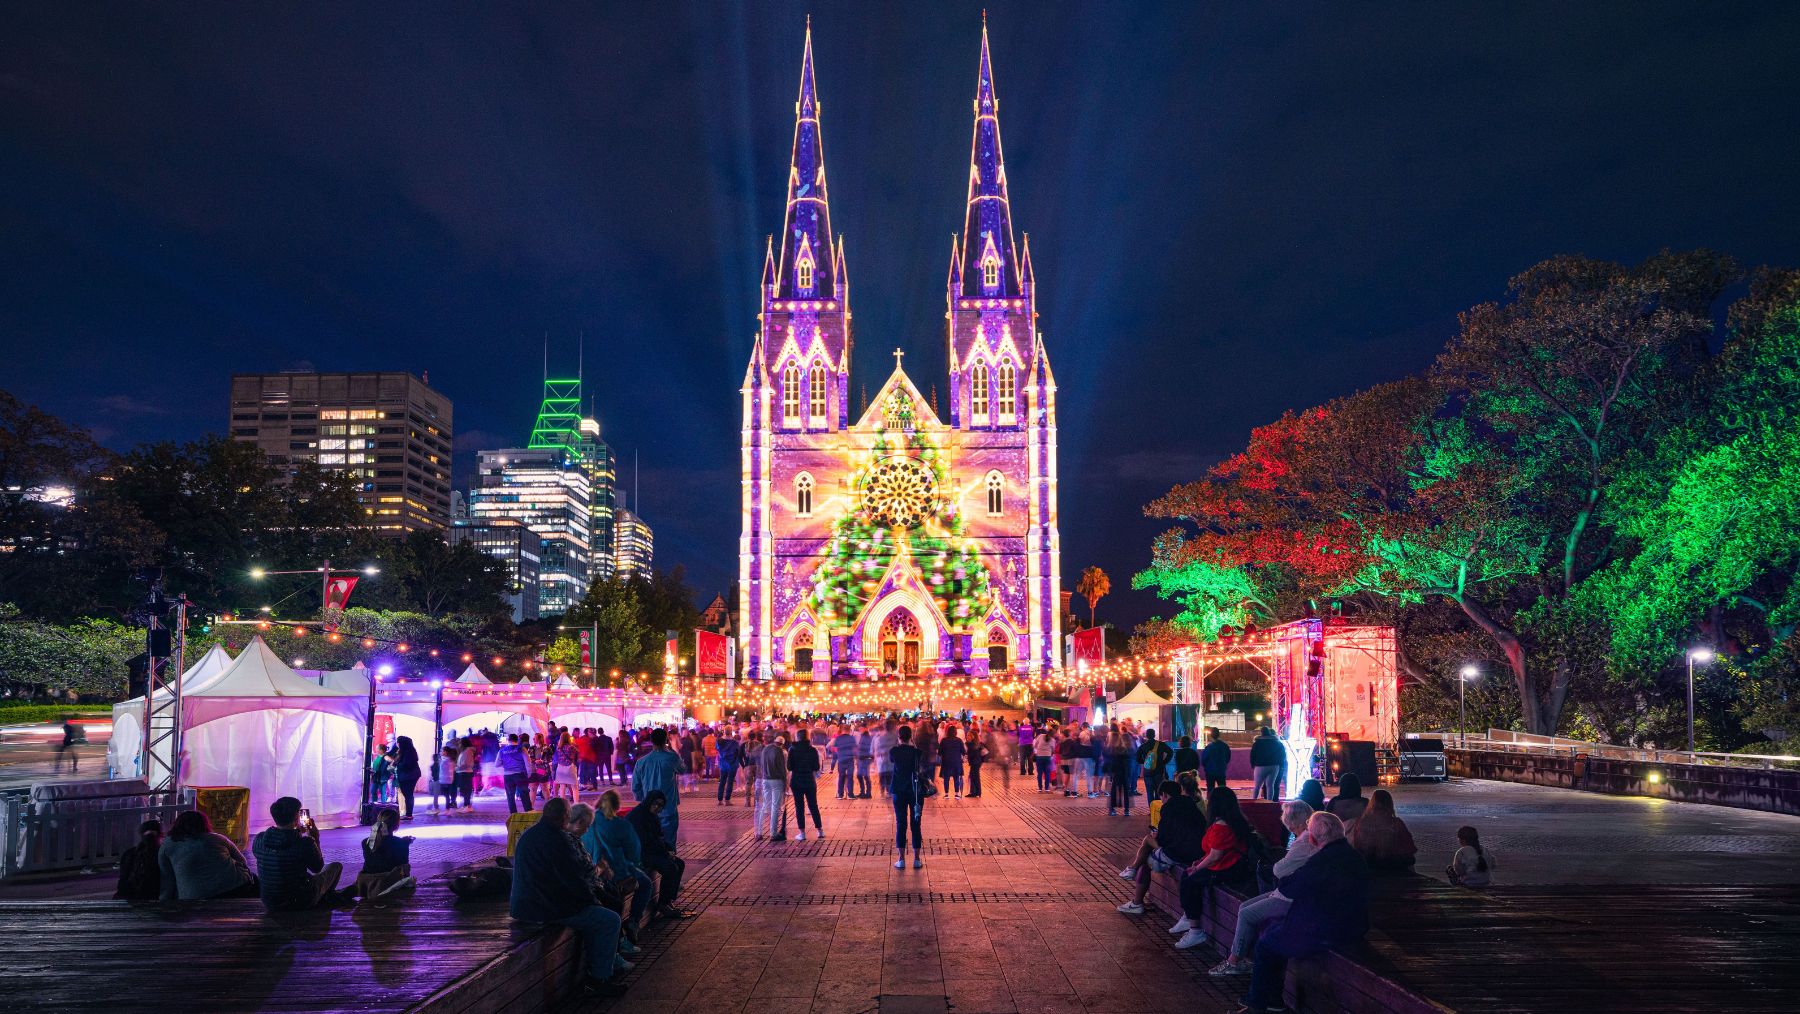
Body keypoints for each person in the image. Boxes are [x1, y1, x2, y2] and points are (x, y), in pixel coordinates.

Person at [1237, 812, 1370, 1014]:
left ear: (1314, 838)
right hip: (1354, 925)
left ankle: (1258, 1004)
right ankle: (1273, 999)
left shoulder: (1322, 862)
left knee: (1265, 944)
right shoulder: (1355, 857)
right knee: (1276, 935)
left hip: (1324, 930)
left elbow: (1291, 888)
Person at [510, 797, 628, 998]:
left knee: (596, 915)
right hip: (544, 907)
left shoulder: (530, 835)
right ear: (565, 817)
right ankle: (599, 979)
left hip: (524, 904)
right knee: (609, 920)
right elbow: (574, 880)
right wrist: (591, 900)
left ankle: (597, 969)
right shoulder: (559, 840)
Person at [1208, 800, 1317, 977]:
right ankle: (1240, 956)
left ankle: (1234, 961)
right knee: (1244, 907)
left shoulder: (1304, 842)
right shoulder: (1308, 837)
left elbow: (1279, 870)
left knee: (1246, 913)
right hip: (1293, 891)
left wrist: (1280, 863)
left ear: (1292, 821)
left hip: (1294, 897)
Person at [1174, 787, 1258, 949]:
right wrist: (1199, 862)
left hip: (1228, 869)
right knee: (1188, 876)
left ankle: (1195, 929)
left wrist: (1198, 869)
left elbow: (1215, 856)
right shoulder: (1235, 820)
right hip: (1230, 865)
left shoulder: (1221, 826)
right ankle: (1188, 917)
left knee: (1190, 881)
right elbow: (1213, 853)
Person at [1116, 781, 1208, 914]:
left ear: (1164, 794)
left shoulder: (1168, 808)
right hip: (1198, 851)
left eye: (1161, 797)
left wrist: (1157, 835)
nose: (1161, 800)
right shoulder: (1191, 805)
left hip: (1179, 852)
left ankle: (1136, 898)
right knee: (1148, 848)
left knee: (1147, 851)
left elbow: (1164, 839)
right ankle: (1132, 870)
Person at [585, 790, 655, 940]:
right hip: (618, 871)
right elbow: (634, 852)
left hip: (595, 869)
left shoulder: (588, 822)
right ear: (617, 806)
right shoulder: (621, 825)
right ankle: (634, 921)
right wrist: (633, 865)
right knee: (646, 884)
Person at [252, 796, 342, 910]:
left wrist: (297, 831)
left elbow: (282, 844)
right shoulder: (304, 844)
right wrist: (315, 837)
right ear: (296, 819)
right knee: (335, 867)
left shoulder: (259, 840)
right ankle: (322, 900)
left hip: (269, 901)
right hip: (299, 901)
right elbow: (317, 867)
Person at [161, 809, 259, 900]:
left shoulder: (167, 844)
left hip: (193, 897)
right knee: (254, 879)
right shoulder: (217, 838)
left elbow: (167, 877)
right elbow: (242, 860)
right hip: (235, 888)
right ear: (203, 824)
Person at [627, 791, 693, 919]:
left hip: (650, 851)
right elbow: (646, 840)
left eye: (660, 805)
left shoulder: (652, 816)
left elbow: (659, 837)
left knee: (679, 863)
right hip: (639, 853)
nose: (657, 807)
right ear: (649, 802)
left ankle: (668, 901)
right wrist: (665, 852)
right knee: (670, 868)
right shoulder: (639, 816)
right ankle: (662, 904)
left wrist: (668, 850)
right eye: (655, 804)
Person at [631, 728, 682, 845]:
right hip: (668, 807)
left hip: (648, 809)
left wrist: (643, 801)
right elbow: (682, 769)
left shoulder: (641, 762)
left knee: (650, 842)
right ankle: (669, 861)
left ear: (651, 741)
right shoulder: (672, 758)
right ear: (666, 740)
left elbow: (635, 786)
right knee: (669, 842)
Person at [354, 807, 416, 899]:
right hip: (386, 881)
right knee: (407, 872)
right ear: (396, 826)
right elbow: (403, 865)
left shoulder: (365, 842)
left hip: (366, 880)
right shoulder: (400, 843)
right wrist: (406, 844)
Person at [1349, 789, 1416, 871]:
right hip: (1393, 865)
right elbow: (1410, 847)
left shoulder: (1361, 822)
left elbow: (1357, 845)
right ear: (1390, 804)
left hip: (1369, 864)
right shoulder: (1396, 823)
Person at [889, 724, 926, 869]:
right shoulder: (917, 752)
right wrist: (913, 743)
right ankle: (917, 859)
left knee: (901, 823)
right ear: (911, 737)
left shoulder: (894, 751)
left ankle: (901, 859)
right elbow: (918, 757)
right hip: (915, 791)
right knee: (916, 824)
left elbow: (893, 760)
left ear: (899, 737)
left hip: (899, 790)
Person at [788, 729, 824, 840]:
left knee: (799, 807)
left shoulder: (792, 749)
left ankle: (802, 833)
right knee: (813, 806)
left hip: (797, 781)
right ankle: (820, 831)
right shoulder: (812, 750)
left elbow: (789, 767)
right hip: (809, 780)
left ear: (797, 737)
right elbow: (817, 767)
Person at [114, 818, 163, 900]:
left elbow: (122, 883)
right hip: (154, 899)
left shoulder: (129, 854)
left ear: (141, 835)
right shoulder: (162, 854)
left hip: (131, 900)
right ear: (160, 835)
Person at [754, 731, 788, 841]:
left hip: (765, 779)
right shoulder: (780, 751)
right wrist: (785, 783)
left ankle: (758, 832)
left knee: (765, 806)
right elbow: (782, 768)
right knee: (775, 807)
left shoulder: (765, 749)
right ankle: (773, 833)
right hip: (776, 780)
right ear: (781, 744)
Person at [499, 734, 534, 814]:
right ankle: (528, 812)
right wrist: (529, 773)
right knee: (524, 794)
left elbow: (497, 764)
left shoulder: (502, 750)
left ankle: (513, 814)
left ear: (508, 740)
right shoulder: (521, 749)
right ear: (517, 740)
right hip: (520, 774)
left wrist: (506, 764)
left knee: (510, 796)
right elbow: (527, 762)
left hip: (507, 775)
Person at [391, 736, 422, 820]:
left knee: (408, 794)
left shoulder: (407, 752)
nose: (397, 744)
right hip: (411, 775)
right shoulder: (408, 750)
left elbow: (405, 765)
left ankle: (409, 814)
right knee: (408, 794)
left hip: (408, 776)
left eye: (398, 742)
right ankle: (408, 814)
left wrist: (395, 765)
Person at [1249, 727, 1284, 801]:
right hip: (1274, 766)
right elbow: (1282, 754)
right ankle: (1269, 802)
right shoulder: (1277, 742)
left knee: (1257, 785)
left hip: (1260, 765)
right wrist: (1280, 765)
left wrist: (1252, 764)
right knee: (1270, 785)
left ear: (1261, 733)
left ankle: (1253, 800)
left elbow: (1253, 754)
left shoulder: (1257, 743)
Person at [1107, 725, 1134, 817]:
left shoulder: (1115, 748)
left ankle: (1113, 809)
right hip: (1125, 770)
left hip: (1117, 770)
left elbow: (1110, 756)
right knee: (1126, 789)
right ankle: (1126, 810)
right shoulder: (1129, 748)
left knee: (1114, 789)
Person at [1138, 728, 1172, 802]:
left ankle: (1151, 811)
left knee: (1149, 792)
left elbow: (1137, 757)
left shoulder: (1143, 746)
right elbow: (1170, 752)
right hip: (1159, 770)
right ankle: (1158, 810)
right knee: (1159, 791)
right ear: (1154, 735)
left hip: (1148, 772)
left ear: (1146, 735)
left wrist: (1144, 762)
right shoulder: (1161, 744)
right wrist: (1164, 761)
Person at [938, 725, 966, 798]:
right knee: (956, 777)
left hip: (946, 762)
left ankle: (946, 794)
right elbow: (963, 751)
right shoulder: (959, 740)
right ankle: (956, 794)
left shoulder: (944, 740)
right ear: (955, 732)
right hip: (956, 762)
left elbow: (939, 752)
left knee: (946, 778)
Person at [716, 728, 743, 804]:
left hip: (723, 764)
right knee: (730, 782)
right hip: (732, 764)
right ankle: (727, 799)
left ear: (724, 732)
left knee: (722, 781)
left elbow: (718, 749)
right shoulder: (734, 742)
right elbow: (738, 752)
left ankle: (720, 799)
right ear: (731, 732)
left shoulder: (719, 741)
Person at [832, 726, 859, 799]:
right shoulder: (851, 738)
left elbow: (834, 747)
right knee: (850, 777)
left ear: (842, 730)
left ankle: (840, 794)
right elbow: (855, 749)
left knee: (841, 777)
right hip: (850, 760)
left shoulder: (838, 738)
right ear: (849, 730)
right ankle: (850, 794)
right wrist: (857, 758)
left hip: (841, 760)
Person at [1199, 729, 1230, 793]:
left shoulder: (1209, 747)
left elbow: (1204, 759)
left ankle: (1210, 802)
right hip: (1221, 770)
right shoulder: (1225, 746)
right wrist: (1223, 765)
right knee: (1222, 790)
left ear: (1211, 736)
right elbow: (1228, 757)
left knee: (1210, 789)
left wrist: (1206, 767)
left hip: (1210, 771)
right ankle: (1222, 802)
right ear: (1219, 735)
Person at [455, 736, 480, 812]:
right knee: (463, 790)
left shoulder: (468, 751)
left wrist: (457, 768)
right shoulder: (464, 751)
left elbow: (467, 763)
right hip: (462, 772)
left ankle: (467, 806)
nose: (459, 744)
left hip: (465, 772)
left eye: (460, 742)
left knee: (466, 790)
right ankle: (465, 805)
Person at [856, 725, 875, 799]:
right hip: (862, 758)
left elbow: (868, 747)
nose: (860, 729)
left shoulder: (867, 737)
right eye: (860, 728)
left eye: (861, 728)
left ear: (865, 728)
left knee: (865, 776)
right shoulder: (863, 736)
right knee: (860, 775)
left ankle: (868, 793)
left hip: (865, 758)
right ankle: (863, 792)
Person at [966, 725, 985, 798]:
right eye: (967, 735)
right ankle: (975, 792)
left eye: (968, 736)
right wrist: (981, 760)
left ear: (972, 737)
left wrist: (980, 760)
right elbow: (984, 752)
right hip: (976, 762)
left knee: (974, 776)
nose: (967, 737)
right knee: (973, 776)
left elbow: (985, 752)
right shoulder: (977, 744)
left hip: (975, 762)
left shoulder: (972, 744)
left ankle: (976, 792)